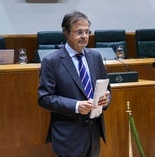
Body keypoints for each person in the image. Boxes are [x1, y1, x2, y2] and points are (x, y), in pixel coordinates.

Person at [38, 11, 111, 157]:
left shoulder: (95, 57)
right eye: (79, 32)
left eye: (87, 32)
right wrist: (77, 106)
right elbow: (44, 98)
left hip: (93, 131)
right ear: (66, 33)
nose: (84, 36)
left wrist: (106, 99)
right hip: (68, 134)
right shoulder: (52, 61)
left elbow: (107, 89)